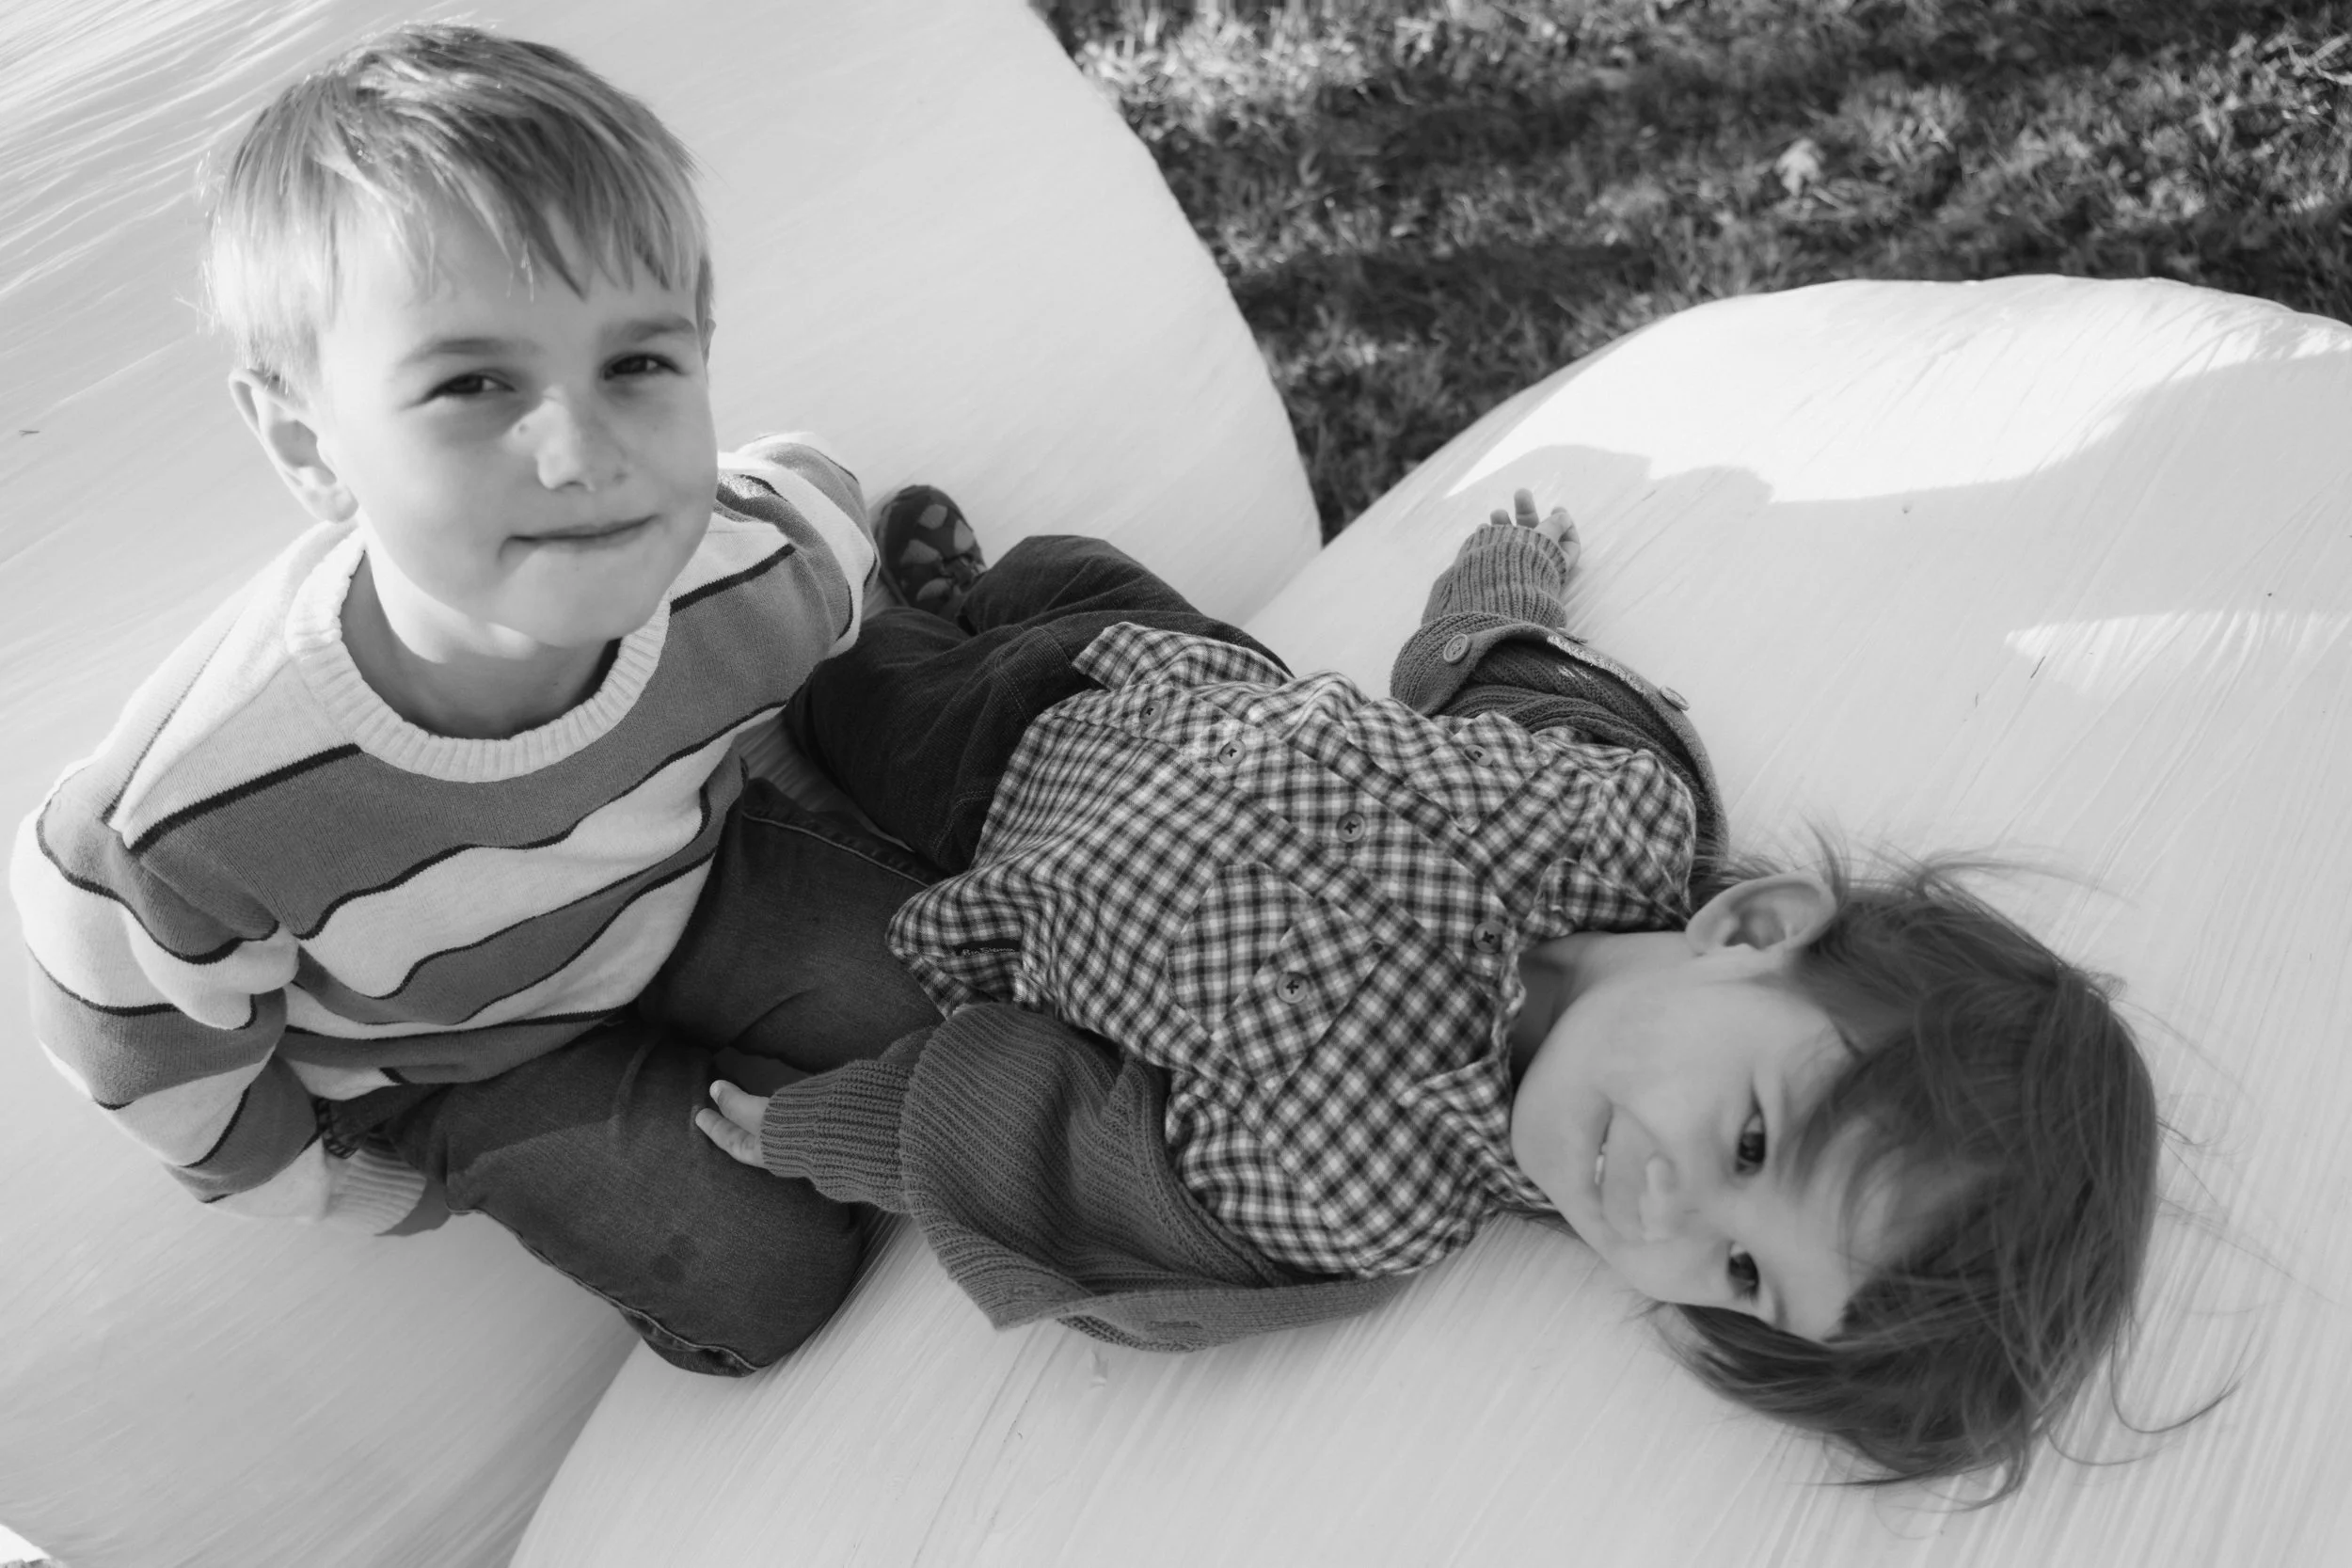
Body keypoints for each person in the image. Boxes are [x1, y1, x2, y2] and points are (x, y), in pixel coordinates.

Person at [694, 487, 2161, 1497]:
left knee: (847, 679)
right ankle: (980, 587)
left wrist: (845, 1129)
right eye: (1754, 1145)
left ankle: (872, 609)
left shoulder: (1351, 1184)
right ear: (1755, 930)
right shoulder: (1615, 815)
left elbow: (1055, 1140)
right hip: (1184, 667)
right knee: (1065, 574)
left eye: (1739, 1272)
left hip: (996, 798)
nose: (1661, 1212)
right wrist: (1493, 597)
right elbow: (1500, 697)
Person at [7, 24, 946, 1376]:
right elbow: (140, 1040)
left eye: (637, 364)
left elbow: (821, 510)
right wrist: (350, 1181)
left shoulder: (742, 573)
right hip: (457, 1059)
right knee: (761, 1286)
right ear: (303, 441)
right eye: (471, 384)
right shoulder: (193, 809)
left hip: (693, 895)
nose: (581, 454)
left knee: (960, 1014)